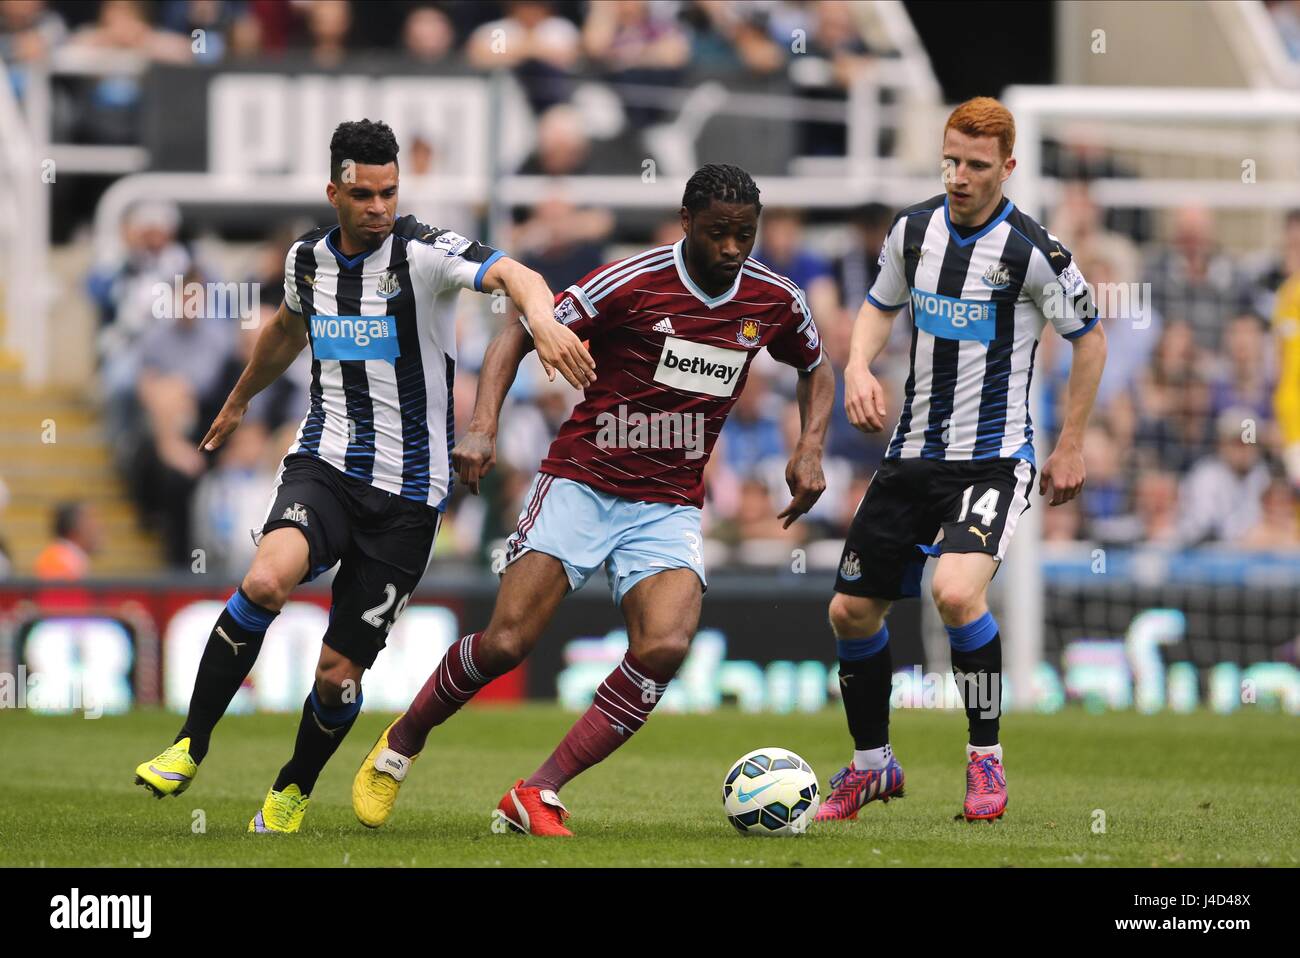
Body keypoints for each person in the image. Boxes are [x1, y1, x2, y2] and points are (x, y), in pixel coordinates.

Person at [132, 118, 592, 834]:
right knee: (262, 582)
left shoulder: (424, 254)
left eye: (389, 192)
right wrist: (240, 397)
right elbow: (286, 330)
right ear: (334, 192)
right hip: (326, 465)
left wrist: (545, 320)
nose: (379, 207)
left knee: (337, 676)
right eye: (364, 194)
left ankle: (292, 787)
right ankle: (189, 744)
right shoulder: (307, 261)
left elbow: (516, 274)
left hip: (409, 499)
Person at [352, 163, 834, 836]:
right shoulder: (631, 281)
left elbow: (817, 365)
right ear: (687, 222)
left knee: (665, 645)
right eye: (719, 234)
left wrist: (810, 446)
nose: (732, 249)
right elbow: (518, 331)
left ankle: (537, 791)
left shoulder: (773, 299)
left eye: (744, 236)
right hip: (582, 479)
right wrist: (484, 426)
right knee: (507, 642)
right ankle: (400, 744)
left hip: (667, 502)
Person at [823, 97, 1107, 824]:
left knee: (955, 592)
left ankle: (986, 762)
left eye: (977, 165)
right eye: (951, 160)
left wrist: (1070, 441)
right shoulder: (912, 231)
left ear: (1007, 168)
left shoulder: (1032, 252)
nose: (959, 176)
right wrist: (857, 366)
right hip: (912, 455)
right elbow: (881, 305)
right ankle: (871, 767)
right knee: (851, 611)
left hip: (991, 462)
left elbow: (1090, 337)